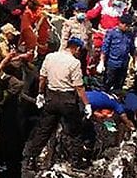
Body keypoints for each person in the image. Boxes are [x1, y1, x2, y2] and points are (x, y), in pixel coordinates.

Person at [23, 37, 91, 166]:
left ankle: (31, 159)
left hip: (51, 97)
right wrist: (87, 104)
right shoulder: (74, 63)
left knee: (44, 130)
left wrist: (40, 93)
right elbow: (79, 87)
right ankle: (76, 161)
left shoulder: (50, 57)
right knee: (74, 131)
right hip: (67, 99)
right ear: (76, 48)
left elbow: (42, 78)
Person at [98, 14, 135, 90]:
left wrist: (135, 62)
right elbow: (105, 48)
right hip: (112, 63)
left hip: (123, 64)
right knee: (107, 83)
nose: (127, 27)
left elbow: (132, 49)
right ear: (120, 23)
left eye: (129, 26)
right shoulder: (112, 33)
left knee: (119, 85)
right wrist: (101, 62)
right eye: (126, 25)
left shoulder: (129, 34)